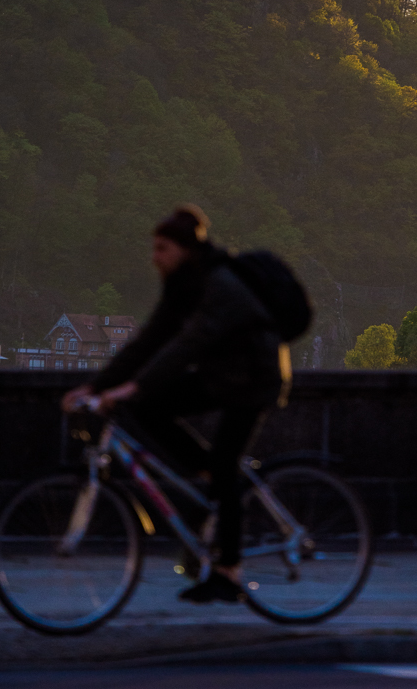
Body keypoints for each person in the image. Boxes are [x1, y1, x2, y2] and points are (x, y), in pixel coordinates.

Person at [62, 206, 282, 603]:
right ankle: (207, 475)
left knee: (224, 465)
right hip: (221, 374)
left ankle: (228, 573)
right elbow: (149, 340)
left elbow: (186, 345)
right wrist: (96, 386)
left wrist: (133, 387)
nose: (154, 257)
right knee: (150, 409)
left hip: (254, 378)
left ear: (184, 250)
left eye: (162, 248)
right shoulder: (181, 285)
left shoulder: (219, 283)